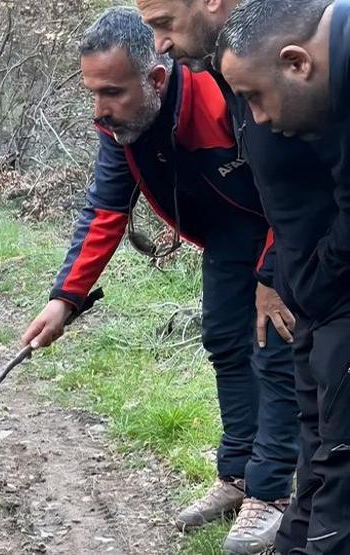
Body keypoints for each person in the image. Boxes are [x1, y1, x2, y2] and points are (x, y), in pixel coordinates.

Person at [21, 8, 299, 554]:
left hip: (283, 231)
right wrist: (65, 300)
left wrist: (272, 275)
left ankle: (271, 494)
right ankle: (239, 476)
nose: (100, 109)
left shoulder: (222, 93)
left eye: (113, 92)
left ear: (155, 78)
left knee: (274, 350)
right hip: (226, 236)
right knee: (224, 341)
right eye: (93, 92)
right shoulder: (122, 126)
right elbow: (105, 209)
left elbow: (286, 188)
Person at [215, 1, 350, 553]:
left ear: (296, 63)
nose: (260, 120)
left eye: (254, 98)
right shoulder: (332, 82)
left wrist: (315, 281)